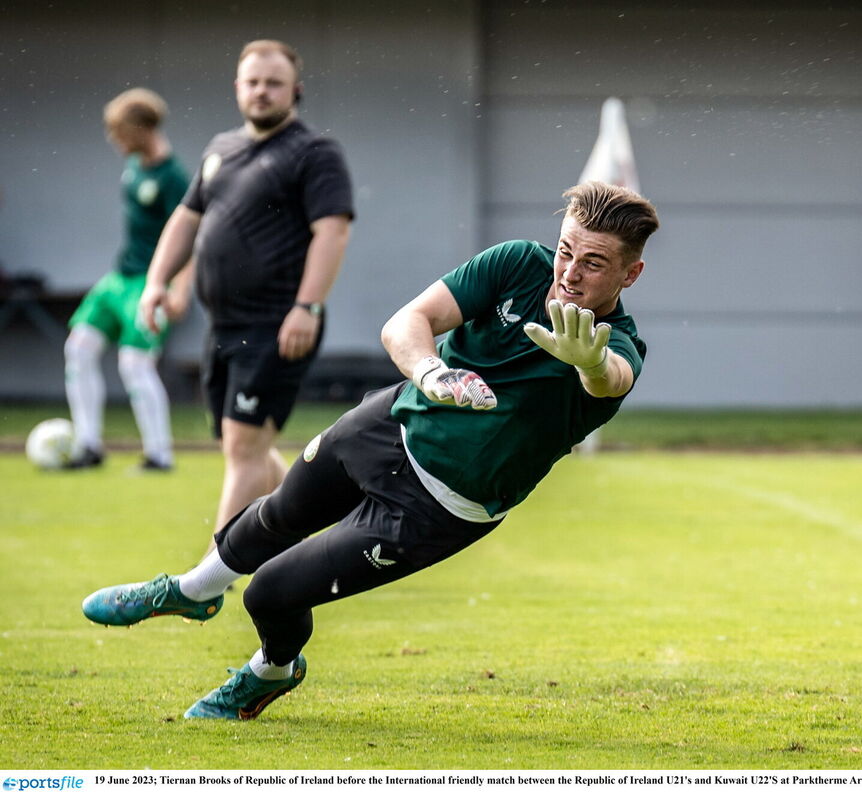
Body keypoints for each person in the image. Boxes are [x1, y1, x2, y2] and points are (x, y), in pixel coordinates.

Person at [82, 181, 660, 720]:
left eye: (593, 263)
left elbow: (610, 379)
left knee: (271, 594)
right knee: (278, 513)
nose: (570, 274)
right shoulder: (516, 264)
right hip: (390, 423)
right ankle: (190, 591)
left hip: (437, 508)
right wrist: (430, 372)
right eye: (566, 252)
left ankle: (272, 670)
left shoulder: (622, 347)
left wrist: (587, 360)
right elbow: (408, 321)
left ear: (629, 274)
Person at [138, 39, 354, 538]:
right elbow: (185, 220)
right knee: (245, 449)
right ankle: (323, 522)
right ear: (238, 88)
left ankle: (212, 573)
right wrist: (155, 282)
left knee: (244, 449)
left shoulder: (314, 152)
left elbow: (333, 231)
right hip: (224, 324)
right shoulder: (221, 149)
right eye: (252, 82)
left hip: (277, 322)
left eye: (273, 83)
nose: (261, 92)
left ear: (294, 91)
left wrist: (307, 306)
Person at [64, 88, 192, 470]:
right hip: (119, 277)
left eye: (119, 130)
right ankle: (88, 445)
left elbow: (190, 237)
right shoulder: (134, 167)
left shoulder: (173, 178)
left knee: (135, 363)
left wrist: (180, 290)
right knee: (79, 348)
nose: (113, 139)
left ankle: (159, 455)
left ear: (142, 128)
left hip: (152, 282)